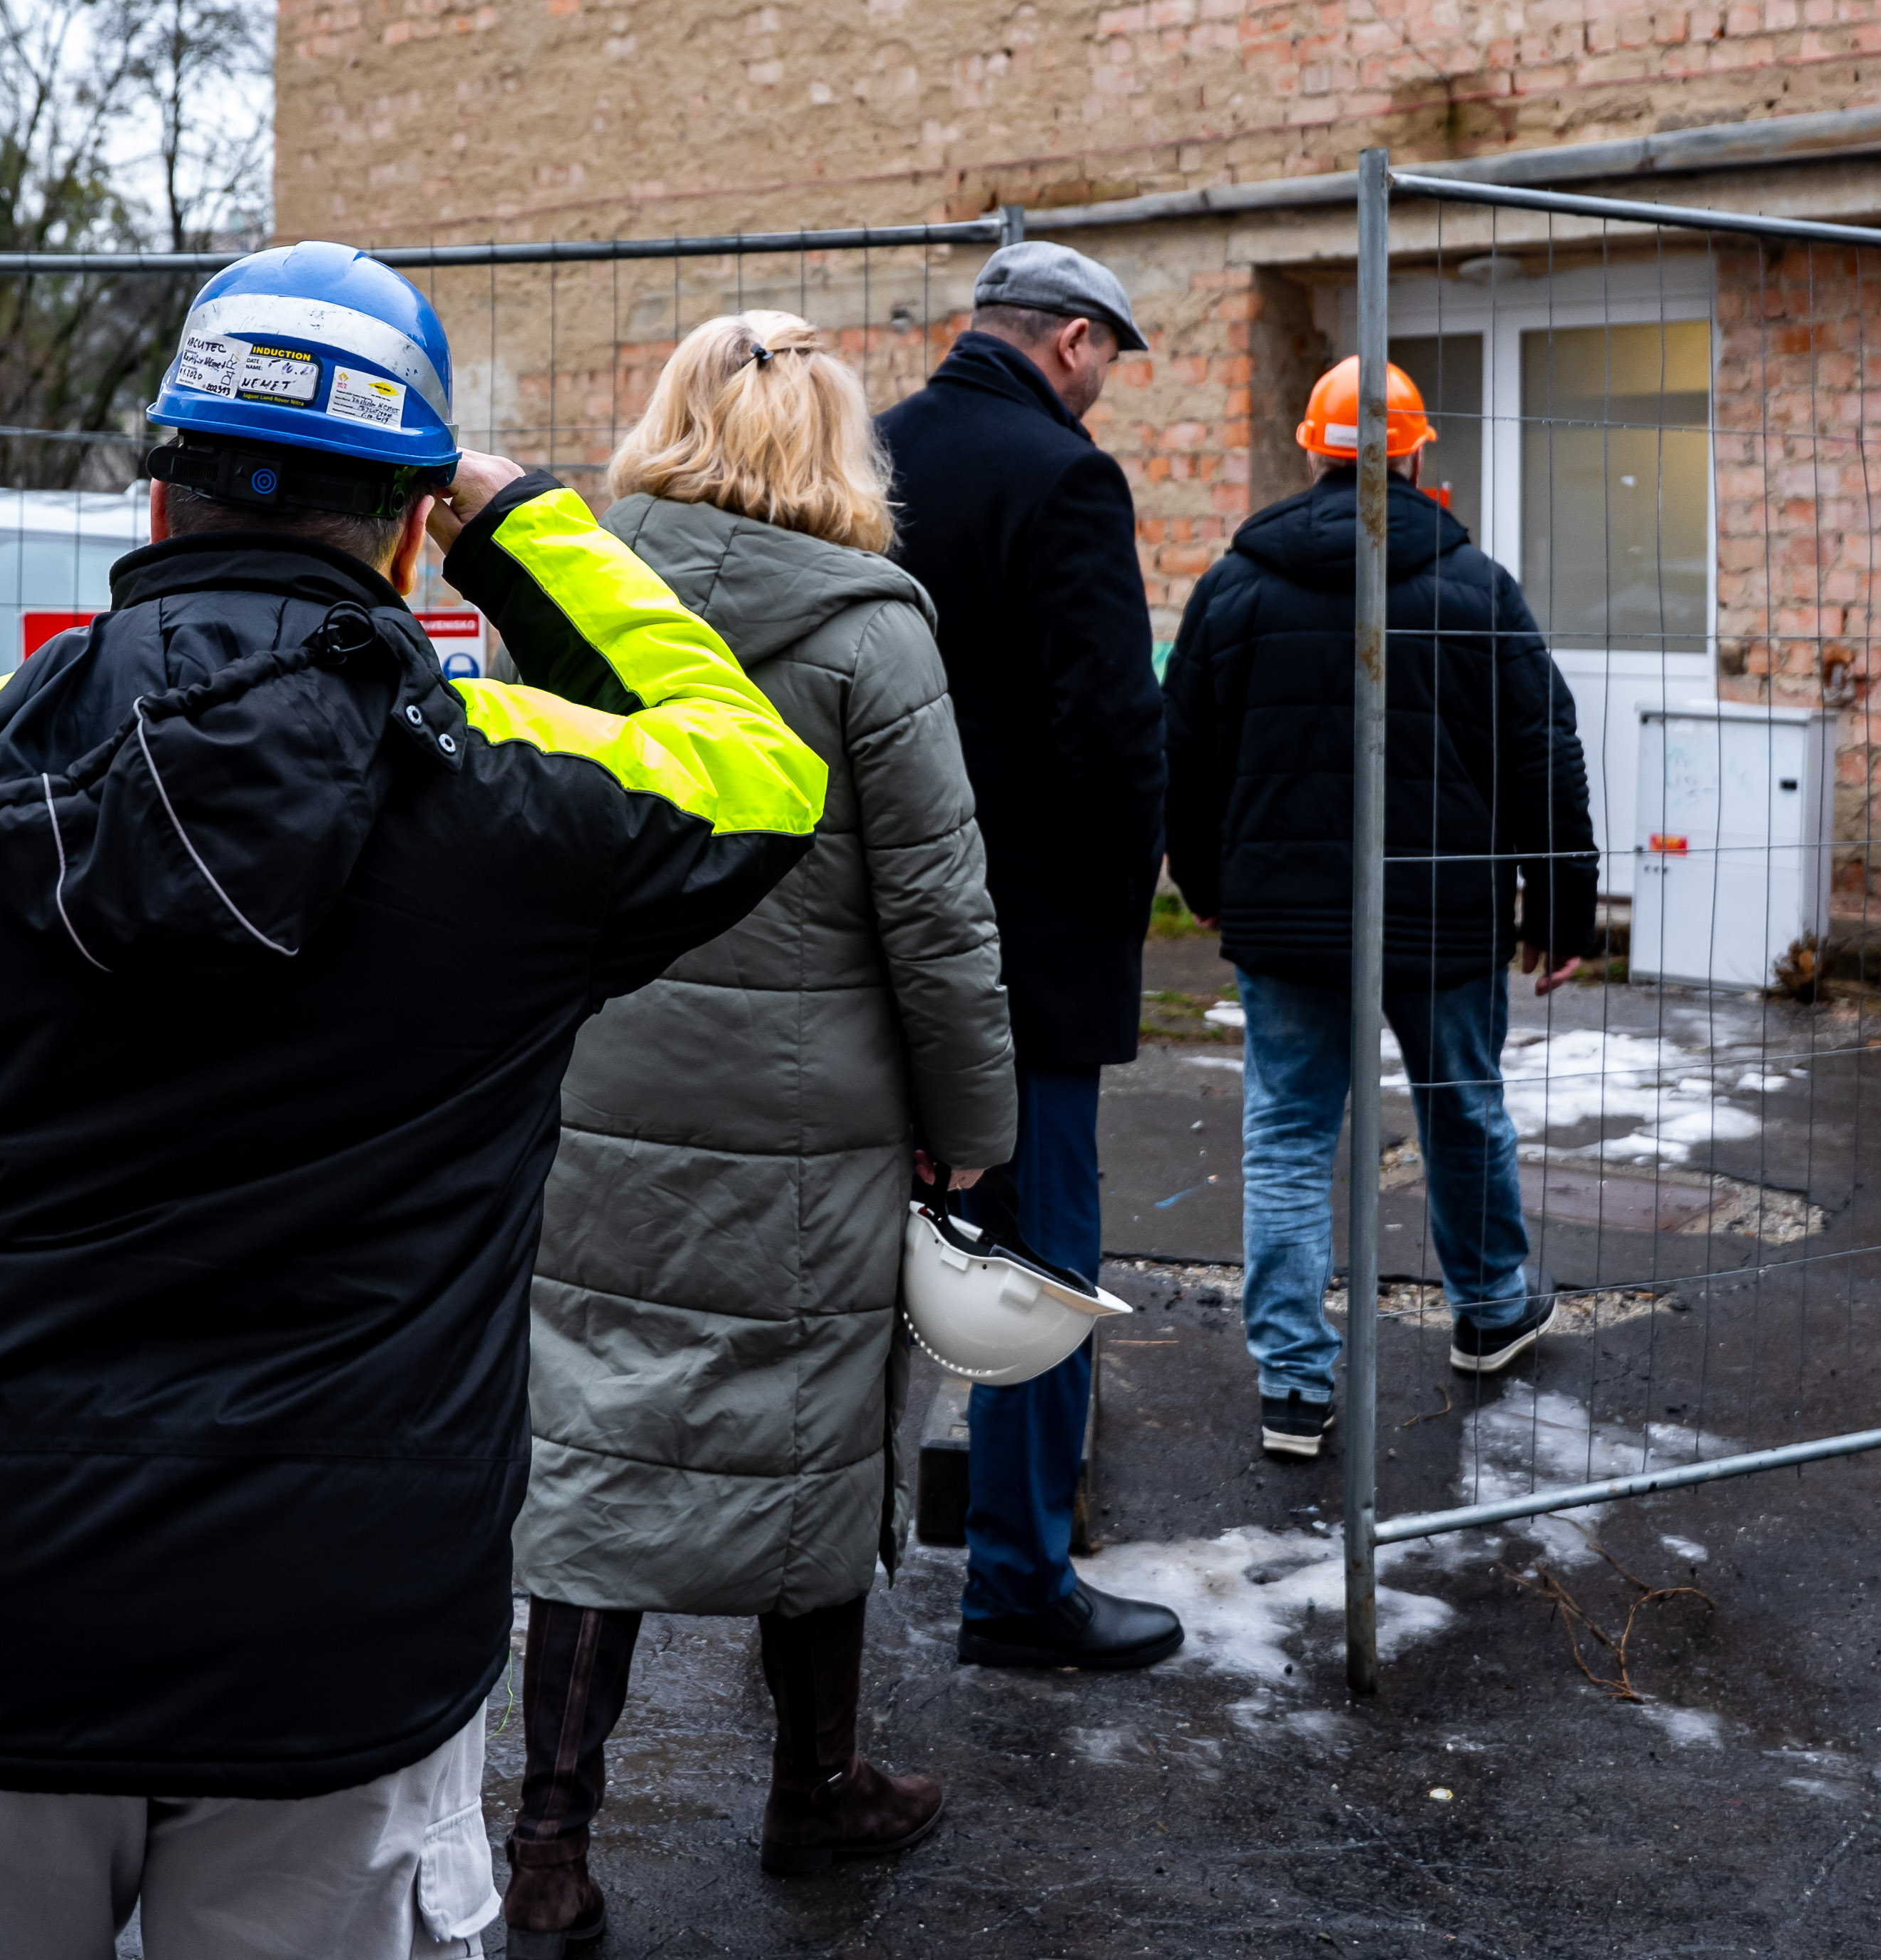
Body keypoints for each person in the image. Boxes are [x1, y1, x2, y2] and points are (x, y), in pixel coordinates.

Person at [0, 242, 829, 1960]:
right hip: (344, 1643)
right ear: (409, 531)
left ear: (156, 497)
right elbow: (758, 765)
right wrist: (519, 518)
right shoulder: (523, 800)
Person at [497, 311, 1024, 1953]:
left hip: (598, 1097)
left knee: (596, 1452)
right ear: (836, 444)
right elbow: (939, 912)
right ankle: (819, 1782)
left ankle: (550, 1844)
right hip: (813, 1124)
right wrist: (972, 1125)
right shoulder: (871, 633)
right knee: (817, 1445)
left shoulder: (574, 602)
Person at [1161, 356, 1599, 1457]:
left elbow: (1180, 758)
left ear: (1313, 450)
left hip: (1288, 923)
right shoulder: (1477, 588)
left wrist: (1209, 887)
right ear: (1412, 454)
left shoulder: (1235, 587)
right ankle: (1491, 1308)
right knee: (1463, 1110)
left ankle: (1295, 1385)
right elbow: (1544, 755)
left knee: (1289, 1135)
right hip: (1446, 920)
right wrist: (1563, 910)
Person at [868, 240, 1181, 1675]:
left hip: (868, 928)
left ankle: (814, 1587)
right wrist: (1118, 907)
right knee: (1035, 1262)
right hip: (1028, 951)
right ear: (1070, 343)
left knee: (854, 1259)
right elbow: (1113, 729)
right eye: (1107, 358)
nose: (1103, 385)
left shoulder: (872, 453)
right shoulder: (1065, 478)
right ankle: (1016, 1582)